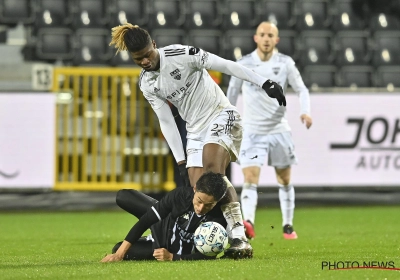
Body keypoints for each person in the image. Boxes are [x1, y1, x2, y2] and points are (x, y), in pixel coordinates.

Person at [109, 23, 286, 258]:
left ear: (154, 45)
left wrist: (264, 82)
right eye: (138, 59)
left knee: (213, 174)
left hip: (221, 114)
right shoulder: (147, 83)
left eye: (147, 55)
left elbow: (225, 65)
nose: (144, 62)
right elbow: (166, 121)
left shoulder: (181, 55)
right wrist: (181, 161)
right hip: (194, 130)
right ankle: (205, 238)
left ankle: (238, 237)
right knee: (198, 191)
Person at [227, 22, 312, 240]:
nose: (266, 38)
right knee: (250, 177)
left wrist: (305, 112)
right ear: (256, 38)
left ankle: (287, 226)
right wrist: (228, 119)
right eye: (262, 34)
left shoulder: (285, 63)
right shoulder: (244, 64)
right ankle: (249, 223)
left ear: (277, 40)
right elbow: (232, 92)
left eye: (270, 35)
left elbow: (301, 89)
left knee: (284, 179)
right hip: (253, 131)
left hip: (278, 130)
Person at [101, 172, 231, 261]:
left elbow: (209, 255)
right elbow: (146, 221)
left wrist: (172, 257)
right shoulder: (179, 196)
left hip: (165, 247)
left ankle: (150, 239)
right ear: (195, 189)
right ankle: (160, 209)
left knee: (118, 247)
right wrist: (118, 255)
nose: (201, 208)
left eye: (208, 205)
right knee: (123, 196)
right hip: (163, 223)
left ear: (217, 202)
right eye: (199, 201)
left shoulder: (220, 217)